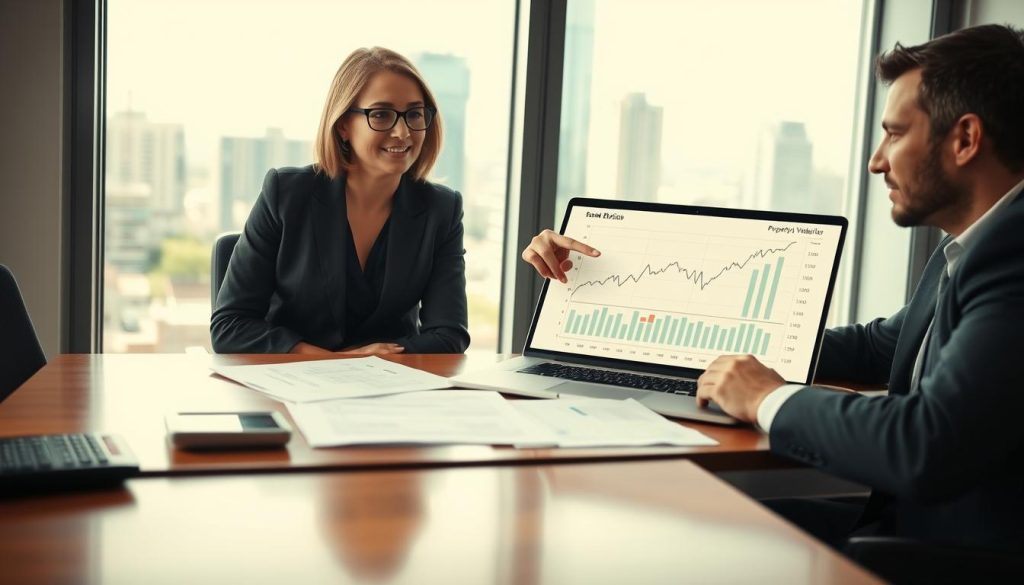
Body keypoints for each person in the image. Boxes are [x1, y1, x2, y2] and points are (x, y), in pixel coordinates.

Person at [523, 24, 1024, 552]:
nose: (877, 160)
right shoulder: (971, 246)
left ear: (965, 139)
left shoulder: (1011, 255)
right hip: (913, 528)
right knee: (680, 521)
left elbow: (924, 443)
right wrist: (659, 335)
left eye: (895, 134)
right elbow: (880, 348)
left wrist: (767, 396)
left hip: (956, 555)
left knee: (673, 538)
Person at [211, 47, 470, 355]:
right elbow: (230, 326)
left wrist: (376, 362)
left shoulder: (442, 210)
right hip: (293, 378)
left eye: (414, 114)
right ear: (344, 125)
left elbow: (449, 335)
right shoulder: (287, 194)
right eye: (381, 114)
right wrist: (335, 361)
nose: (403, 132)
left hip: (391, 380)